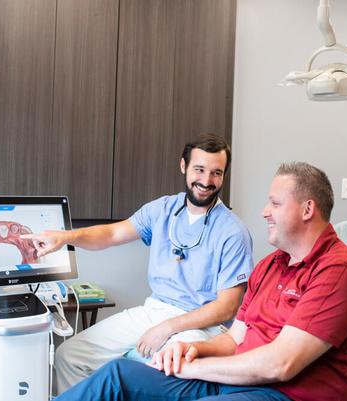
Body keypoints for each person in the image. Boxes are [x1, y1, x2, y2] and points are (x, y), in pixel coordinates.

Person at [54, 161, 347, 401]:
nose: (264, 212)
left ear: (307, 209)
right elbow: (234, 339)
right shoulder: (270, 266)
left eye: (275, 203)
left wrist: (192, 368)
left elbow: (281, 365)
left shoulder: (338, 271)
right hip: (238, 381)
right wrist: (192, 349)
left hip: (287, 394)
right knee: (118, 375)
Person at [22, 133, 253, 393]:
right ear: (183, 166)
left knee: (156, 374)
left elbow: (226, 308)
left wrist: (167, 328)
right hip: (154, 310)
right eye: (199, 169)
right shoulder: (162, 210)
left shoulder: (233, 232)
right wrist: (66, 237)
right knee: (70, 356)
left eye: (216, 173)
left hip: (202, 326)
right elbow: (111, 234)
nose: (207, 181)